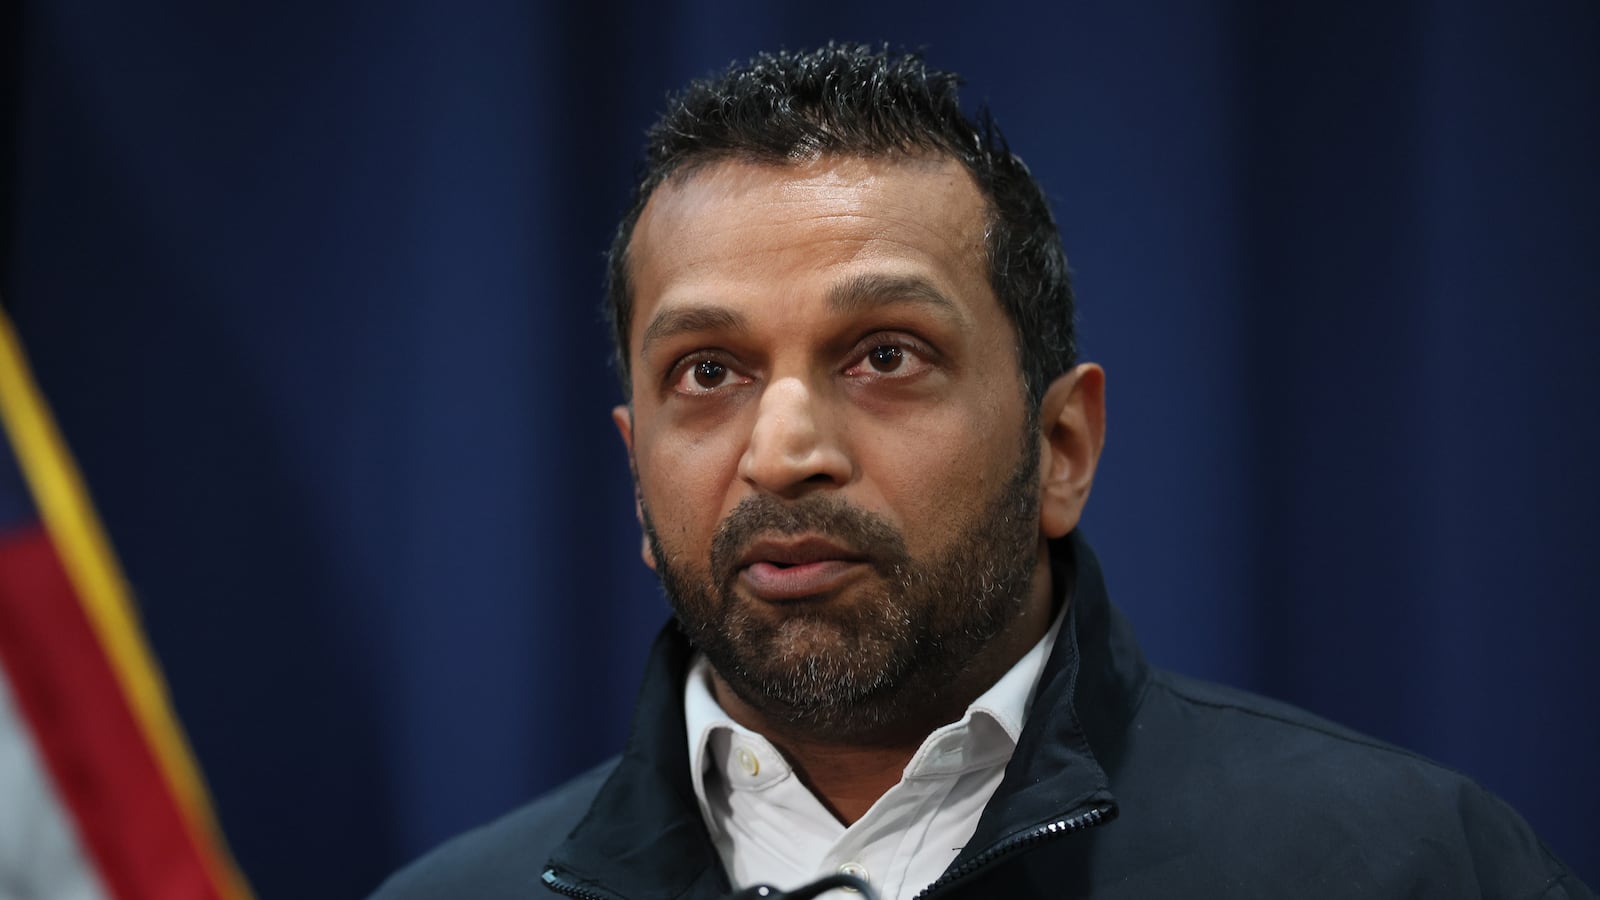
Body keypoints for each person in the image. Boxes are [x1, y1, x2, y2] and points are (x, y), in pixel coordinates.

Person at [371, 44, 1591, 900]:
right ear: (637, 477)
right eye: (706, 372)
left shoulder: (1403, 871)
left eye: (883, 354)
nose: (784, 450)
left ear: (1061, 447)